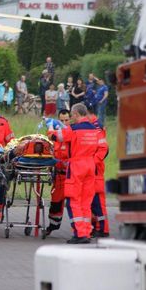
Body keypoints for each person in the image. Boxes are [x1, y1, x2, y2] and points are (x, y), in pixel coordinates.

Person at [47, 103, 107, 244]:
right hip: (90, 166)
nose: (71, 118)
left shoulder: (73, 129)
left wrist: (50, 127)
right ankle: (86, 231)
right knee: (86, 201)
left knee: (74, 200)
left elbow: (55, 137)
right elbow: (102, 148)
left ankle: (80, 234)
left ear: (75, 114)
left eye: (72, 116)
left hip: (76, 166)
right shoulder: (95, 130)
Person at [46, 109, 71, 235]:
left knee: (74, 203)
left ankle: (84, 229)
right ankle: (53, 225)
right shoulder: (57, 134)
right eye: (61, 121)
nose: (64, 123)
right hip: (59, 175)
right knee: (55, 201)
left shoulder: (72, 133)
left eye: (66, 120)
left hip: (71, 175)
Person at [87, 105, 110, 237]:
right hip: (93, 166)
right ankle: (97, 226)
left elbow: (103, 149)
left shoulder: (96, 127)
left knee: (98, 201)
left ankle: (103, 229)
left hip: (95, 168)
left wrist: (92, 162)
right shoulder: (94, 125)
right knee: (93, 200)